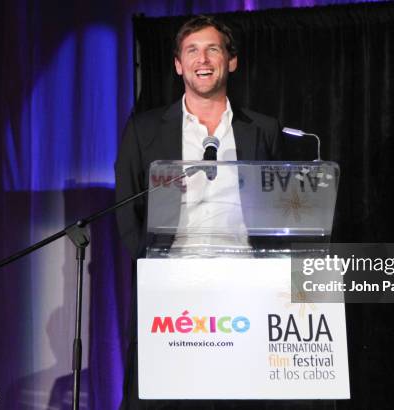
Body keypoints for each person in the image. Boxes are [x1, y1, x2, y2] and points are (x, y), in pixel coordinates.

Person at [115, 15, 283, 409]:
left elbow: (279, 207)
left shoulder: (263, 129)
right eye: (191, 50)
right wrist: (150, 267)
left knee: (237, 398)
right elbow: (127, 207)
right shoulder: (144, 129)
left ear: (231, 60)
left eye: (212, 49)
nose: (202, 58)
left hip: (244, 285)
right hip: (172, 285)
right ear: (178, 64)